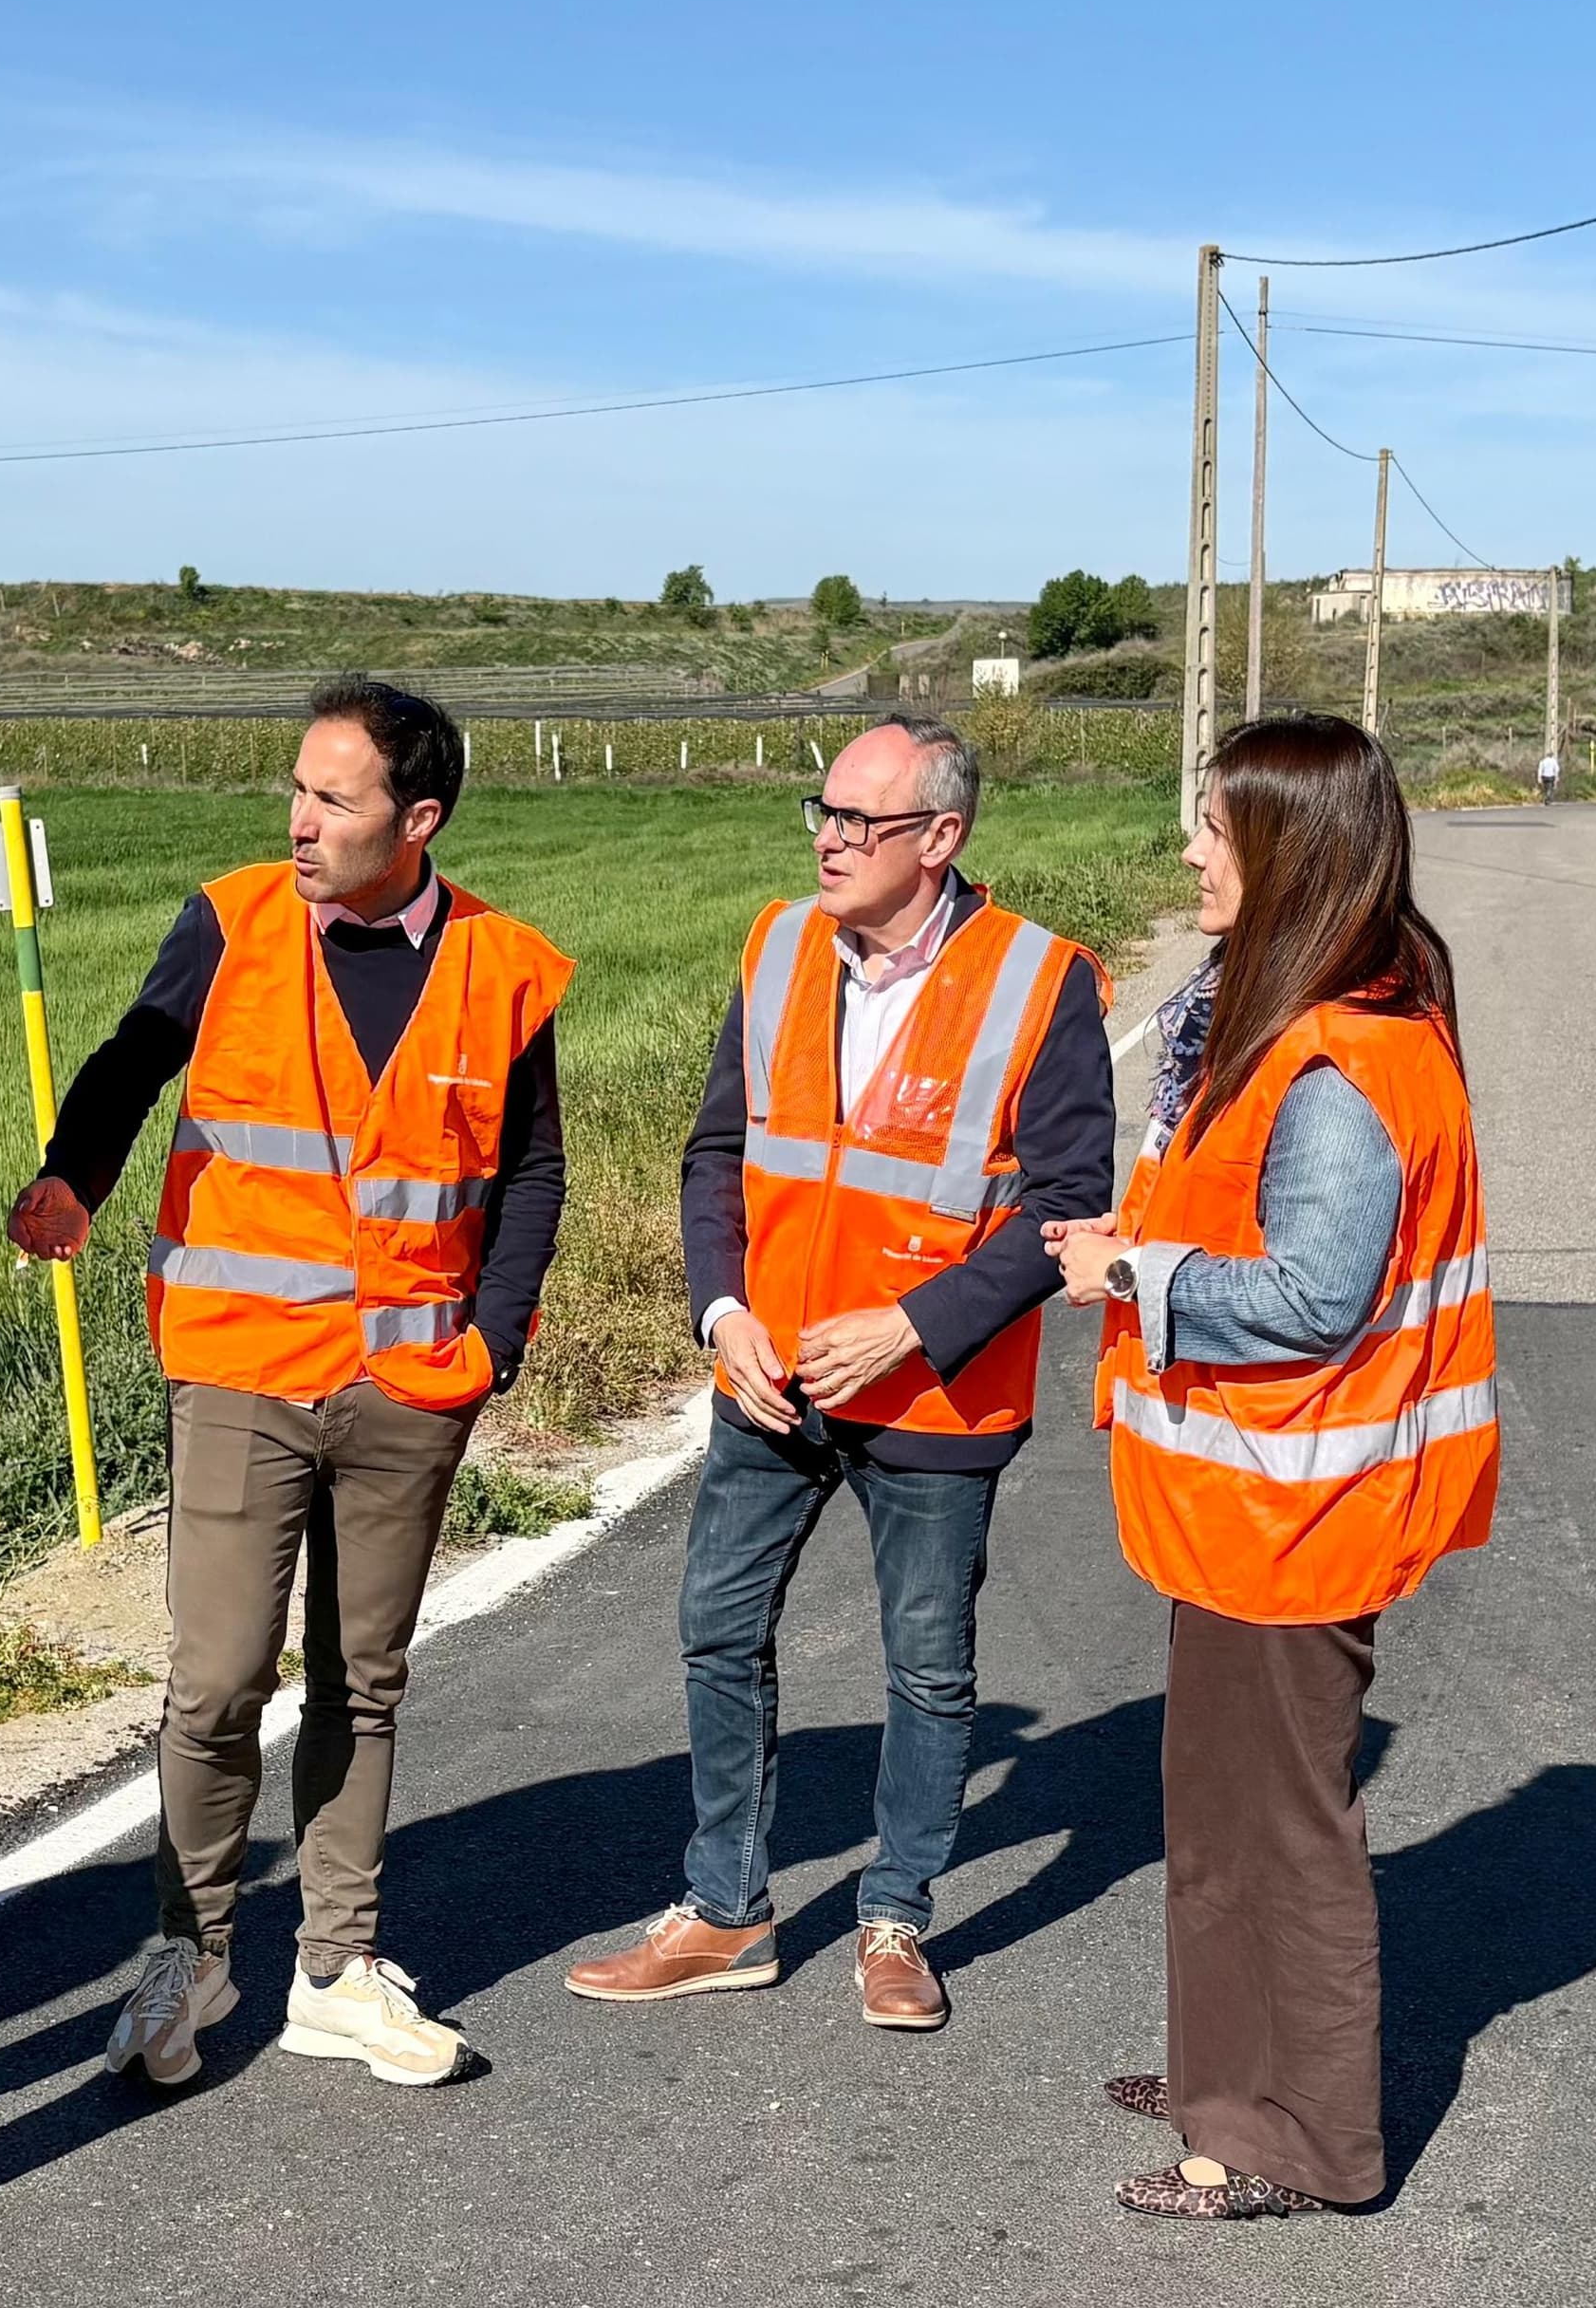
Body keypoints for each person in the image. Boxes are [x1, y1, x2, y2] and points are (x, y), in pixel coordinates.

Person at [10, 679, 571, 2091]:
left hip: (407, 1386)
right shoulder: (232, 918)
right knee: (213, 1682)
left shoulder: (505, 966)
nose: (299, 819)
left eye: (333, 797)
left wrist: (492, 1344)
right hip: (241, 1371)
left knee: (361, 1682)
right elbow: (135, 1059)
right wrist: (72, 1176)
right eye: (298, 789)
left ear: (417, 818)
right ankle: (188, 1954)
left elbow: (533, 1167)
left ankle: (336, 1966)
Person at [567, 718, 1114, 2031]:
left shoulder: (1042, 981)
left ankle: (896, 1917)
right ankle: (726, 1910)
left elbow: (1069, 1201)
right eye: (820, 811)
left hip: (935, 1395)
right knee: (716, 1624)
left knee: (924, 1666)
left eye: (857, 822)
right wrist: (719, 1310)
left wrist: (916, 1326)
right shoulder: (774, 949)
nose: (825, 836)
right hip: (769, 1376)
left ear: (940, 839)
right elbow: (716, 1153)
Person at [1049, 712, 1496, 2221]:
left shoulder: (1331, 1062)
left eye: (1215, 830)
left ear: (1293, 859)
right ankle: (1222, 2071)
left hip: (1290, 1513)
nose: (1189, 851)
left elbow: (1315, 1295)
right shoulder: (1316, 1015)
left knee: (1276, 1834)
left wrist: (1134, 1273)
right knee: (1223, 1814)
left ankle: (1288, 2139)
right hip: (1255, 1508)